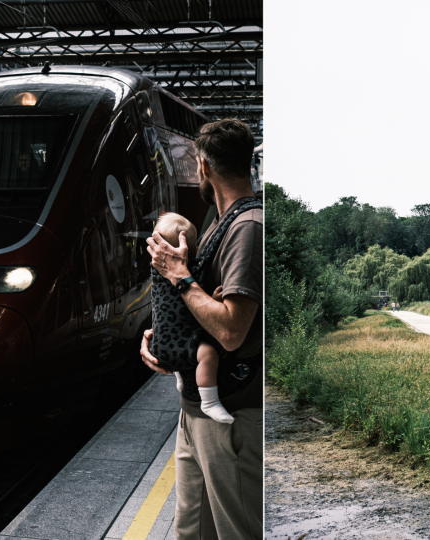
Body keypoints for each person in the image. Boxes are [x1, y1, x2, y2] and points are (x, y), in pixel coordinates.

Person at [140, 118, 262, 540]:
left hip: (232, 417)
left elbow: (231, 330)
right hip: (195, 411)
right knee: (191, 532)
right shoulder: (220, 222)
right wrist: (162, 336)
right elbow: (199, 309)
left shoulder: (248, 229)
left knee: (237, 530)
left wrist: (179, 275)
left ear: (204, 167)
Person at [149, 212, 233, 424]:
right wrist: (212, 298)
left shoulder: (156, 273)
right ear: (192, 249)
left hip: (159, 345)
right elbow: (196, 302)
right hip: (184, 346)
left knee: (184, 346)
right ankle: (210, 401)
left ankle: (181, 378)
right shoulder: (191, 272)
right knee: (208, 354)